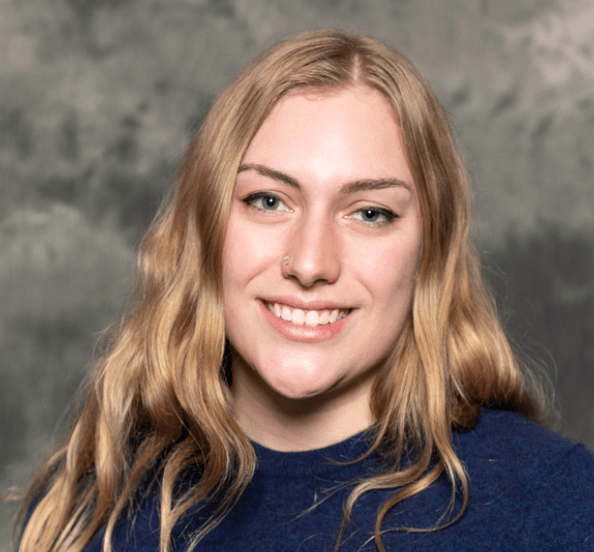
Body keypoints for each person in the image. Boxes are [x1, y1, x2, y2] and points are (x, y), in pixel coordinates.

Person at [15, 29, 594, 552]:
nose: (311, 263)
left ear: (430, 250)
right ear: (206, 227)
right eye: (268, 201)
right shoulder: (84, 510)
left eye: (369, 213)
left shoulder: (557, 504)